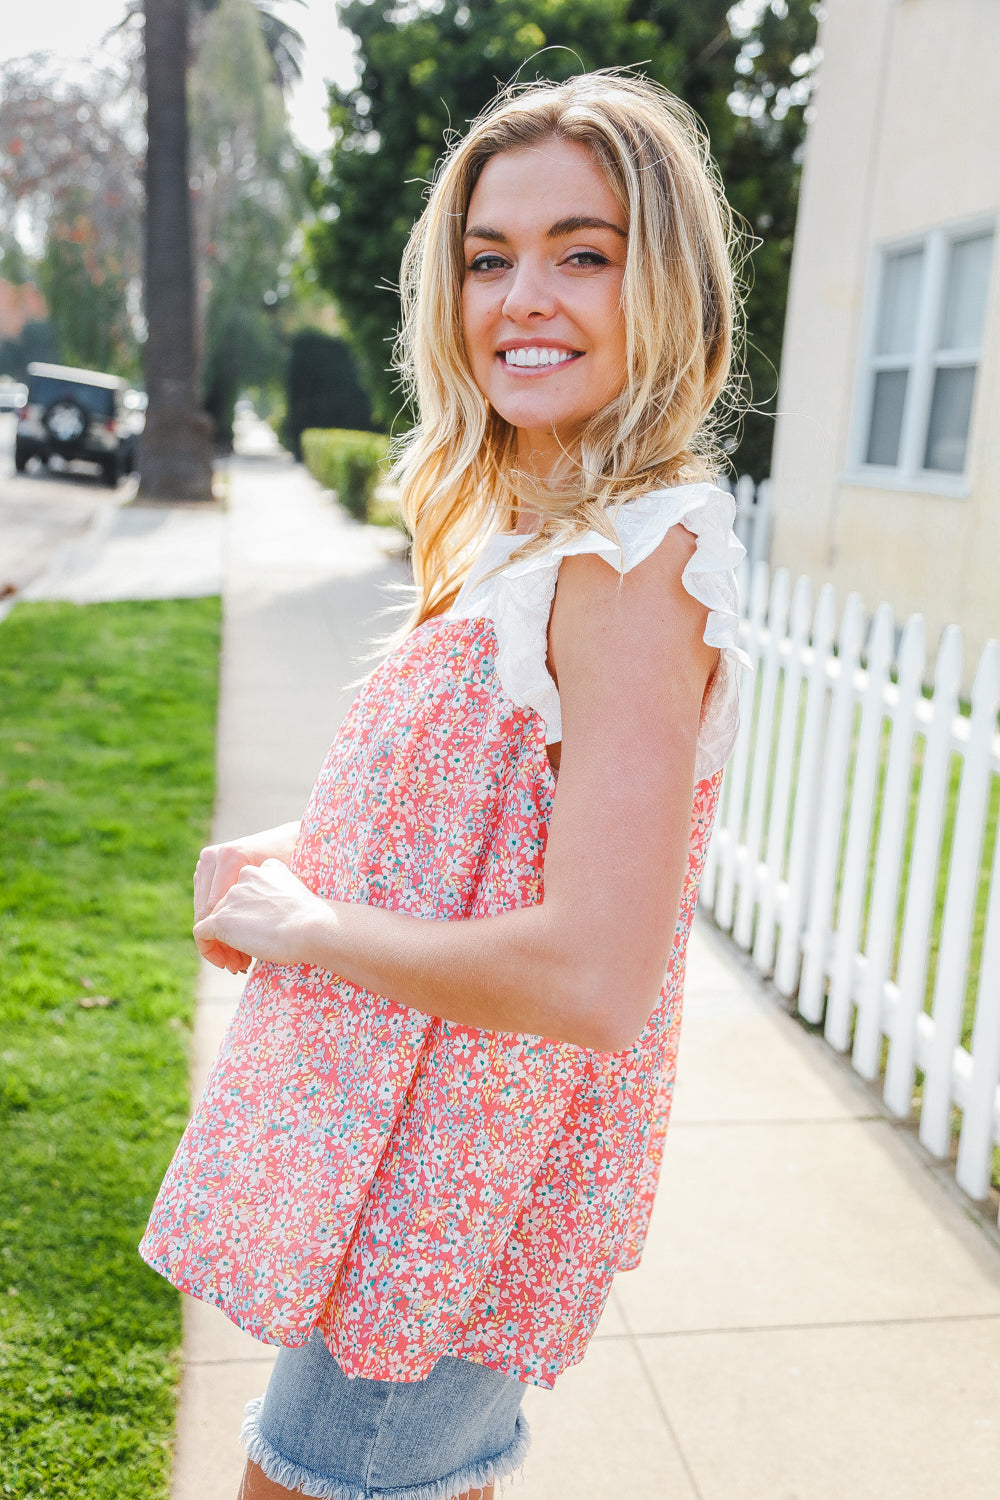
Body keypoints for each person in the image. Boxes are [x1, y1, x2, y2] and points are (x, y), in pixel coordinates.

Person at [140, 69, 751, 1500]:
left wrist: (310, 931)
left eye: (583, 253)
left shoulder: (634, 566)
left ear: (668, 283)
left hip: (455, 1190)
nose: (523, 296)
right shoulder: (546, 529)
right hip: (415, 1171)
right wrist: (296, 857)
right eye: (491, 257)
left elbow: (597, 972)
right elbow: (492, 829)